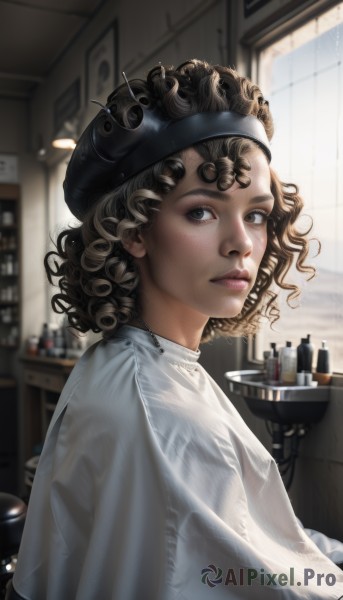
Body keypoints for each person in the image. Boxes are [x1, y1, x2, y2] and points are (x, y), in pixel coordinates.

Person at [9, 60, 343, 599]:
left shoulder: (129, 362)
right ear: (135, 230)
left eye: (255, 214)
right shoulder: (163, 416)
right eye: (202, 212)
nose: (241, 243)